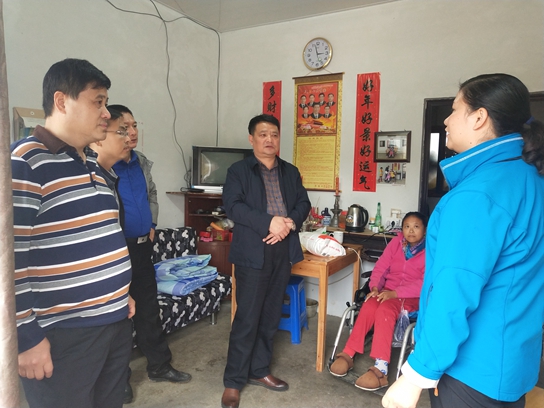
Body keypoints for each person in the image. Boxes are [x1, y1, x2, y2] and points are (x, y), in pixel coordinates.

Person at [383, 73, 544, 408]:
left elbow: (454, 289)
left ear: (479, 118)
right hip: (512, 362)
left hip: (470, 370)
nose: (446, 120)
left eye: (455, 109)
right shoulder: (530, 178)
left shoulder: (476, 194)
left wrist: (416, 374)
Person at [11, 58, 135, 408]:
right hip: (63, 334)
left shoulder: (91, 164)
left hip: (114, 322)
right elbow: (8, 261)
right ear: (62, 101)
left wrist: (119, 293)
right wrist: (26, 337)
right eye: (98, 102)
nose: (107, 113)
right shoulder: (25, 162)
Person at [221, 114, 311, 408]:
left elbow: (303, 203)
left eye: (274, 134)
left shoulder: (290, 171)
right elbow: (233, 206)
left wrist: (289, 223)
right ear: (252, 139)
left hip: (283, 251)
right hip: (252, 252)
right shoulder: (238, 171)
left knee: (271, 315)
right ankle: (234, 381)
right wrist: (269, 222)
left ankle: (259, 370)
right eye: (263, 134)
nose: (269, 139)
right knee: (247, 318)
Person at [106, 104, 192, 402]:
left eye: (134, 126)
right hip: (115, 250)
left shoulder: (140, 161)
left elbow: (151, 193)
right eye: (124, 128)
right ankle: (118, 380)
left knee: (148, 309)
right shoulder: (102, 166)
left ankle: (159, 366)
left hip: (142, 247)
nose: (132, 132)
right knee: (117, 317)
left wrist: (153, 223)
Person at [330, 212, 427, 391]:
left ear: (425, 230)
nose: (411, 231)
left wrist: (396, 293)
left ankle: (381, 369)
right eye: (407, 226)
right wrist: (375, 287)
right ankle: (348, 353)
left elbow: (425, 282)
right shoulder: (396, 243)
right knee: (369, 304)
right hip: (387, 292)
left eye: (416, 226)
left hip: (411, 298)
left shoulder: (431, 251)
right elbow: (382, 267)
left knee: (385, 309)